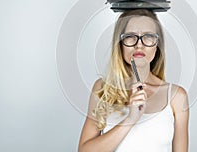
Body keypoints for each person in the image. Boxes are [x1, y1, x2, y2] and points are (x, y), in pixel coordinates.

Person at [78, 9, 189, 152]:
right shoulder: (103, 88)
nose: (139, 45)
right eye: (130, 36)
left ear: (157, 45)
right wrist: (130, 119)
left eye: (148, 36)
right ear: (120, 44)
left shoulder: (176, 97)